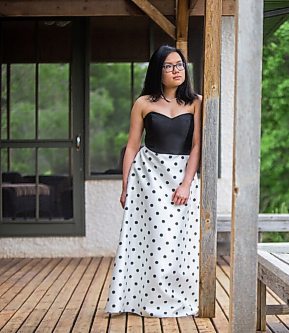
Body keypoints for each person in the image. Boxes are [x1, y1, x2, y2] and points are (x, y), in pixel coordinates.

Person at [104, 45, 202, 318]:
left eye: (180, 65)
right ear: (158, 71)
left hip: (183, 175)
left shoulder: (196, 102)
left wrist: (186, 183)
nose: (176, 70)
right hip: (149, 176)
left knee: (181, 241)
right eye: (169, 66)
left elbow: (197, 146)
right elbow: (132, 147)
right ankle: (147, 298)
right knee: (156, 238)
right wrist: (125, 186)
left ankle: (179, 297)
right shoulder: (143, 103)